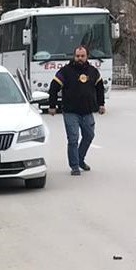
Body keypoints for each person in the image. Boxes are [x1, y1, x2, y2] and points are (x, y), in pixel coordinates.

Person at [48, 45, 105, 175]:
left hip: (87, 111)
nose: (80, 58)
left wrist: (101, 104)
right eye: (77, 56)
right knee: (73, 139)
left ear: (87, 57)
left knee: (89, 136)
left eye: (82, 56)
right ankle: (74, 166)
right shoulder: (65, 71)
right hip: (70, 111)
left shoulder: (93, 71)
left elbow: (100, 88)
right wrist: (52, 106)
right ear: (74, 56)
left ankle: (80, 159)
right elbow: (53, 87)